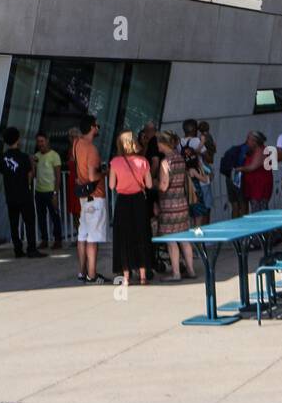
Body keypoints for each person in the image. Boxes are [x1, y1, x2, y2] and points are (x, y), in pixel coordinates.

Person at [109, 130, 152, 285]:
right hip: (139, 201)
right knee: (141, 235)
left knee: (124, 238)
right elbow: (149, 184)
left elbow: (112, 185)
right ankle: (143, 275)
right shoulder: (143, 161)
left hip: (123, 202)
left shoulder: (115, 162)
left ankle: (126, 277)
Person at [0, 126, 44, 259]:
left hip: (10, 195)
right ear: (18, 139)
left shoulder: (3, 158)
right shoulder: (24, 157)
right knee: (29, 221)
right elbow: (30, 175)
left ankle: (17, 249)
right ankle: (31, 249)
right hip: (24, 194)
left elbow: (3, 172)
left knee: (14, 223)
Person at [156, 131, 195, 281]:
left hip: (169, 205)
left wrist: (155, 184)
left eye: (158, 142)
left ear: (163, 143)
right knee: (184, 238)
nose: (157, 145)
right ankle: (191, 270)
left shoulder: (166, 162)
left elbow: (164, 186)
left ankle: (176, 273)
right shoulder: (179, 158)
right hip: (182, 202)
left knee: (171, 240)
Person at [72, 115, 107, 283]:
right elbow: (93, 177)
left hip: (83, 196)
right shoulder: (92, 149)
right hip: (95, 196)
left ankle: (81, 272)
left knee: (82, 234)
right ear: (93, 127)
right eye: (97, 125)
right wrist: (105, 173)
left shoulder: (76, 144)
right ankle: (92, 274)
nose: (98, 128)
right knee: (93, 237)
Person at [33, 132, 63, 250]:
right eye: (38, 141)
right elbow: (34, 175)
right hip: (39, 191)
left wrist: (56, 193)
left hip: (51, 191)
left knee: (54, 216)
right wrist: (32, 164)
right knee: (41, 217)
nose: (40, 144)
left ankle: (58, 240)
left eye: (42, 141)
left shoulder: (54, 156)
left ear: (47, 141)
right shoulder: (37, 156)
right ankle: (44, 240)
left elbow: (58, 176)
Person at [240, 130, 273, 213]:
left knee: (259, 210)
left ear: (255, 141)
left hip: (259, 188)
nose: (247, 141)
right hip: (255, 187)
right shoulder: (254, 151)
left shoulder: (260, 151)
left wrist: (239, 169)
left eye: (249, 139)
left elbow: (252, 167)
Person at [219, 139, 248, 219]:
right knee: (243, 203)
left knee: (234, 204)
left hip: (229, 176)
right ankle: (245, 226)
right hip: (238, 176)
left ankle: (235, 225)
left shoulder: (233, 149)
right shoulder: (245, 150)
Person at [65, 126, 81, 234]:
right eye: (71, 137)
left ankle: (84, 236)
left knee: (80, 210)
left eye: (74, 137)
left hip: (80, 182)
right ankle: (79, 235)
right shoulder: (71, 150)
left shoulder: (81, 150)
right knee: (74, 211)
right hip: (72, 182)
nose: (72, 139)